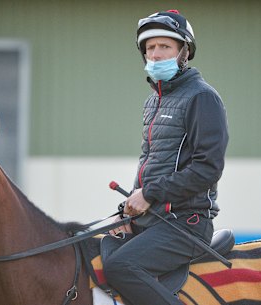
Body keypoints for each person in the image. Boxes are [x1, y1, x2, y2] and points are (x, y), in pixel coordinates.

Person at [103, 9, 229, 305]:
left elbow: (208, 168)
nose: (156, 54)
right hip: (154, 218)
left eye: (165, 46)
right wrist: (127, 209)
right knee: (101, 245)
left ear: (184, 52)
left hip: (187, 222)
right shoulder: (153, 102)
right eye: (150, 47)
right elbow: (149, 164)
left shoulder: (203, 97)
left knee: (121, 266)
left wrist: (150, 193)